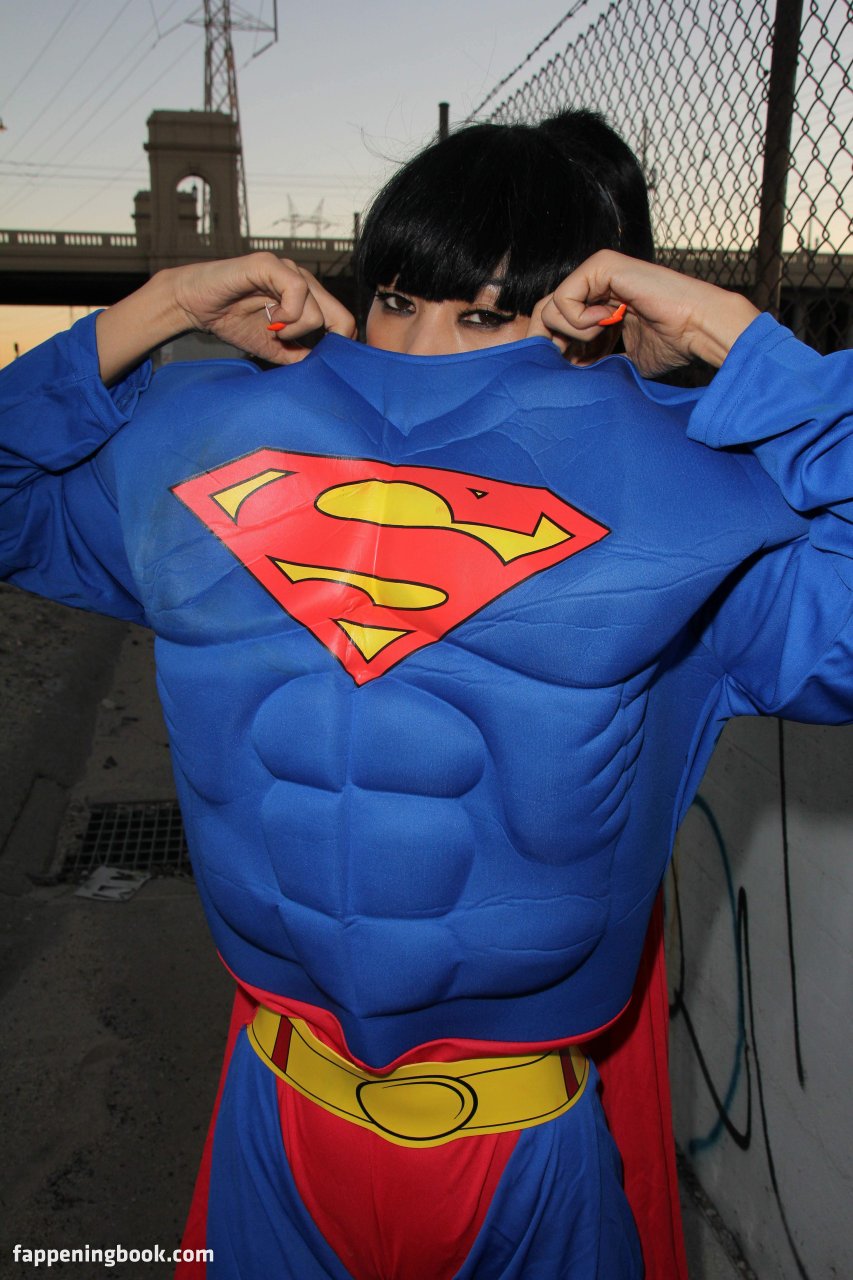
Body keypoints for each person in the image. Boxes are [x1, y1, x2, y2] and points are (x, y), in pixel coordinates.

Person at [1, 111, 850, 1280]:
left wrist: (734, 340)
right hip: (277, 1111)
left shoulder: (686, 498)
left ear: (588, 313)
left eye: (487, 314)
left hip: (521, 1148)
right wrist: (161, 307)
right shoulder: (199, 446)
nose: (422, 345)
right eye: (396, 298)